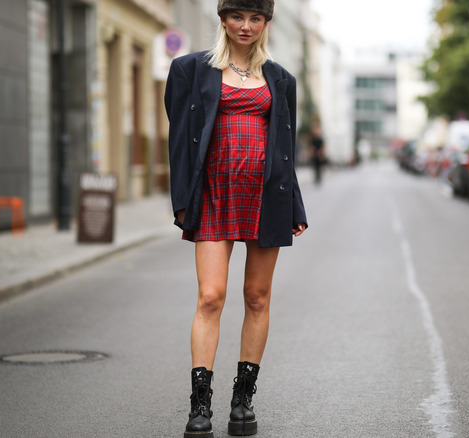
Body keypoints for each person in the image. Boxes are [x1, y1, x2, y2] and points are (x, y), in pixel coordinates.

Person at [164, 1, 307, 437]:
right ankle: (200, 405)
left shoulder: (281, 80)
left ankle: (242, 401)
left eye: (255, 18)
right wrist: (181, 198)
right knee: (211, 296)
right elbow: (179, 143)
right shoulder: (190, 69)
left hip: (265, 197)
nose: (246, 26)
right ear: (223, 19)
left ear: (266, 23)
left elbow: (286, 149)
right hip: (213, 194)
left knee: (257, 297)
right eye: (237, 17)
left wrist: (295, 205)